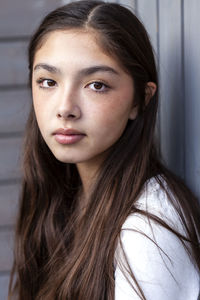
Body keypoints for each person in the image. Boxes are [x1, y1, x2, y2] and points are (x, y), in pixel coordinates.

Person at [8, 1, 200, 299]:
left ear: (141, 99)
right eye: (48, 82)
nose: (65, 108)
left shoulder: (148, 230)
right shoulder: (62, 195)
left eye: (96, 85)